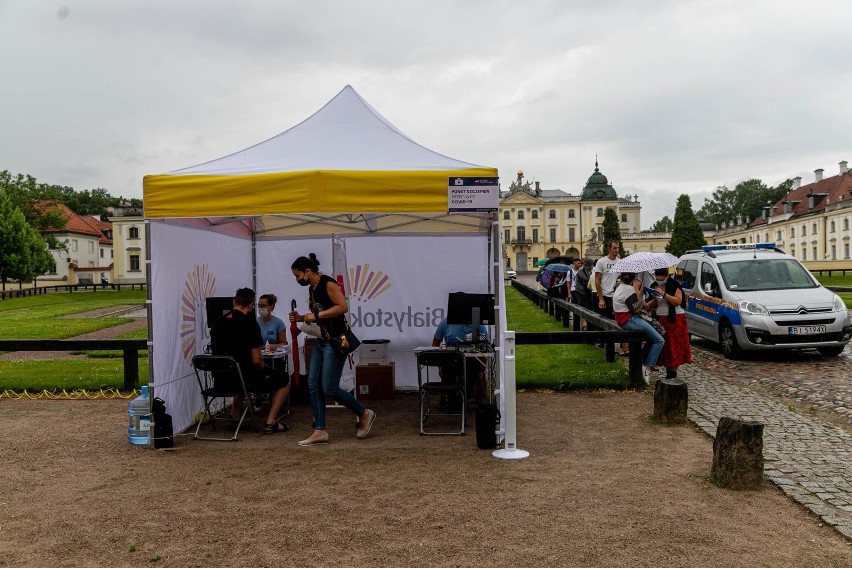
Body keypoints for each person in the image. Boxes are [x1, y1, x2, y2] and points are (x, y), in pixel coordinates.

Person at [289, 253, 376, 446]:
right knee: (312, 385)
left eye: (297, 275)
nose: (297, 280)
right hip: (322, 340)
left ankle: (363, 413)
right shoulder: (312, 288)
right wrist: (302, 317)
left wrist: (315, 314)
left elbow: (342, 307)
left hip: (336, 341)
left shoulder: (328, 284)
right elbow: (319, 316)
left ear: (308, 271)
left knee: (330, 388)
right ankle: (320, 429)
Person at [210, 287, 291, 434]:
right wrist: (266, 369)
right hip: (244, 380)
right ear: (251, 305)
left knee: (238, 370)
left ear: (234, 301)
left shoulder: (217, 322)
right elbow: (257, 361)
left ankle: (234, 415)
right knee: (284, 378)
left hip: (220, 380)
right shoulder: (250, 324)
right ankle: (271, 422)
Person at [611, 272, 665, 383]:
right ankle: (648, 366)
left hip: (622, 319)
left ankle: (644, 360)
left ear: (621, 278)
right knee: (659, 340)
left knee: (655, 333)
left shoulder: (619, 287)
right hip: (629, 320)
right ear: (633, 280)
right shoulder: (629, 290)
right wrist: (638, 293)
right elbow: (636, 309)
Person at [432, 318, 490, 404]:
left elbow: (486, 347)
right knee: (446, 368)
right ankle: (453, 400)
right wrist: (439, 366)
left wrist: (482, 369)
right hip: (451, 362)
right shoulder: (445, 323)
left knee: (474, 369)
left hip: (471, 363)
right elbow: (435, 344)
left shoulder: (479, 324)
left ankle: (462, 400)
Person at [651, 267, 692, 379]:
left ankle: (672, 373)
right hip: (660, 318)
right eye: (657, 279)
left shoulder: (674, 284)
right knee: (665, 345)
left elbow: (678, 301)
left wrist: (664, 294)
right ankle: (668, 369)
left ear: (666, 276)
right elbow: (654, 304)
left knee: (674, 345)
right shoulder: (654, 285)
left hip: (675, 318)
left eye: (661, 279)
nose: (659, 281)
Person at [594, 240, 621, 318]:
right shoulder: (601, 262)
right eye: (614, 248)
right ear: (609, 249)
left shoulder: (620, 262)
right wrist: (601, 298)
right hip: (604, 295)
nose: (617, 250)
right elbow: (597, 280)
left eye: (618, 248)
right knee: (603, 319)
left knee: (615, 320)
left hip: (616, 296)